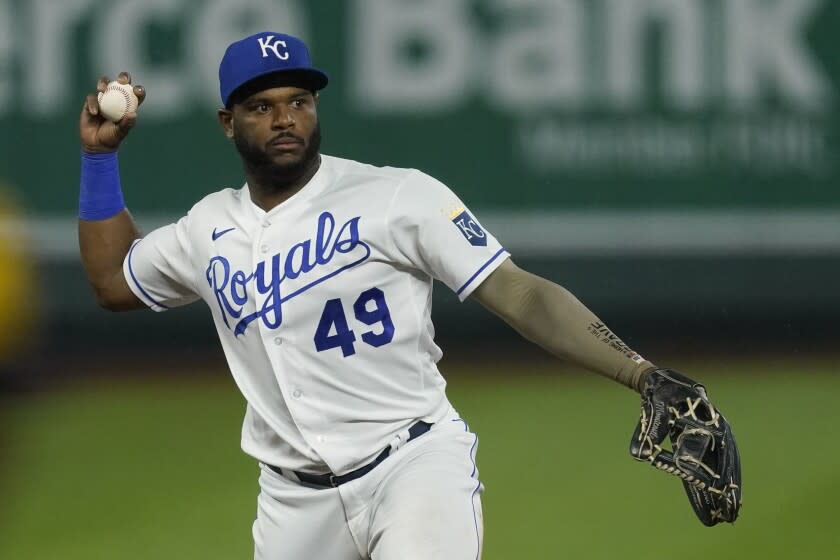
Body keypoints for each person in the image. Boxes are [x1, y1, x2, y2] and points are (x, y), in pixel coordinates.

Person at [78, 31, 739, 559]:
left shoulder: (395, 197)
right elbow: (114, 282)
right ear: (228, 121)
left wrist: (640, 372)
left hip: (414, 468)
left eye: (300, 100)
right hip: (292, 506)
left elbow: (520, 293)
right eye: (262, 105)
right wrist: (102, 159)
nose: (286, 118)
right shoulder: (208, 229)